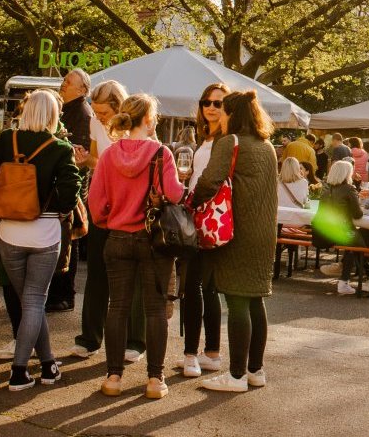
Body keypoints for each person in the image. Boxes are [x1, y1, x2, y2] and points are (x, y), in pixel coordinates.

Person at [0, 89, 78, 392]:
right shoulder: (60, 148)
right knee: (34, 302)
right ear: (53, 115)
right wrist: (53, 207)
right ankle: (19, 371)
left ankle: (48, 365)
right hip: (44, 231)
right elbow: (70, 192)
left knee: (28, 301)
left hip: (8, 230)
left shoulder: (7, 140)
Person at [85, 93, 181, 399]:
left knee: (118, 308)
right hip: (152, 240)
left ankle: (113, 376)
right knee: (154, 310)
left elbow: (95, 201)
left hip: (117, 237)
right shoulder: (160, 153)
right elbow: (175, 195)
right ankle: (155, 379)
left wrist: (108, 218)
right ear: (149, 120)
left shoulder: (110, 155)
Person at [194, 90, 278, 393]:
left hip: (238, 231)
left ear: (232, 114)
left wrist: (191, 201)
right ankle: (256, 370)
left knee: (237, 300)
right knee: (255, 299)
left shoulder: (231, 142)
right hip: (265, 233)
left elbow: (209, 181)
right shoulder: (267, 146)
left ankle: (237, 375)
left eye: (224, 112)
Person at [72, 80, 142, 362]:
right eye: (96, 111)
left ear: (118, 107)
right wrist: (85, 159)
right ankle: (89, 338)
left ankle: (135, 340)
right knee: (98, 272)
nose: (98, 117)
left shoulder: (136, 126)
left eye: (103, 112)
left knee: (133, 276)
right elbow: (97, 161)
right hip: (103, 203)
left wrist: (104, 163)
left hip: (131, 206)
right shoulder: (95, 125)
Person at [168, 84, 227, 379]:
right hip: (201, 220)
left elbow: (214, 183)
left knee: (193, 288)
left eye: (218, 102)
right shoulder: (207, 140)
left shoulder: (224, 141)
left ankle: (192, 354)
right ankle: (212, 353)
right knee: (206, 288)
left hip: (206, 222)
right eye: (206, 101)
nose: (211, 107)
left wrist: (190, 195)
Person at [47, 68, 91, 314]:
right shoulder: (66, 109)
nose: (63, 84)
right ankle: (58, 293)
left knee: (69, 239)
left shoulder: (82, 113)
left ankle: (65, 294)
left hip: (72, 186)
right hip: (64, 182)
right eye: (63, 80)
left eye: (68, 82)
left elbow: (83, 153)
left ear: (82, 89)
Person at [315, 159, 366, 296]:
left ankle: (343, 271)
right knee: (361, 245)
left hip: (326, 231)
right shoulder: (349, 189)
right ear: (346, 174)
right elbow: (358, 214)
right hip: (344, 230)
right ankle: (347, 279)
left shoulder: (326, 190)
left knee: (355, 246)